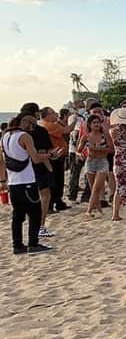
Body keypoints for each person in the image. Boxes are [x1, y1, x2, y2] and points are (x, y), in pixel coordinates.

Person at [1, 114, 53, 253]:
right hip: (27, 181)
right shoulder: (25, 136)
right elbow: (35, 158)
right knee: (35, 213)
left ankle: (17, 245)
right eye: (33, 125)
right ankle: (33, 243)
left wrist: (2, 180)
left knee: (17, 216)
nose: (33, 128)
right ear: (25, 123)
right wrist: (49, 156)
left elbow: (3, 161)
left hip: (13, 182)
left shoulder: (5, 136)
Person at [20, 103, 58, 238]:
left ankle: (33, 226)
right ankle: (40, 225)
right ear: (35, 114)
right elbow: (44, 151)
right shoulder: (39, 131)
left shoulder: (15, 131)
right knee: (44, 195)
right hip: (38, 165)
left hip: (20, 169)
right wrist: (50, 164)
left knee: (29, 198)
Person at [76, 114, 113, 216]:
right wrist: (80, 155)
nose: (97, 124)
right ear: (89, 124)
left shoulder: (105, 136)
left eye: (98, 122)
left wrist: (98, 149)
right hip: (90, 161)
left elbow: (111, 149)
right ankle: (99, 209)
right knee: (93, 189)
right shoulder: (86, 137)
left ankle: (89, 210)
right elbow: (78, 150)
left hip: (102, 161)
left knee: (97, 187)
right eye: (94, 123)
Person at [39, 107, 69, 212]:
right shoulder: (49, 125)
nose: (55, 114)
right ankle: (51, 204)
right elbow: (66, 130)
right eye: (52, 113)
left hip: (57, 155)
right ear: (46, 115)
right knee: (55, 181)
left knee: (58, 180)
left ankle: (58, 202)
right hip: (53, 156)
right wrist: (74, 121)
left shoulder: (49, 124)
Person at [66, 101, 88, 203]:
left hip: (85, 150)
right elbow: (75, 133)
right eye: (80, 107)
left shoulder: (85, 117)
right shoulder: (73, 118)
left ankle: (85, 195)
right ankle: (72, 194)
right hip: (74, 150)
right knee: (75, 173)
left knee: (87, 173)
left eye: (83, 106)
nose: (82, 108)